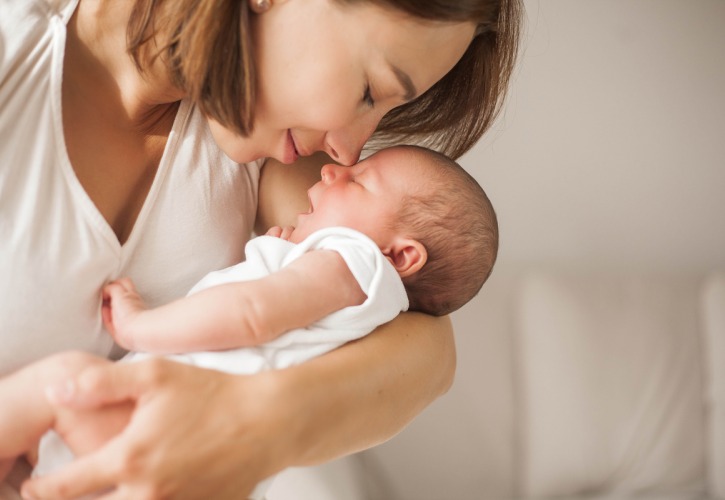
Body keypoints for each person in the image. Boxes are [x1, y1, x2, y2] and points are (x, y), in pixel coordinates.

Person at [0, 0, 521, 497]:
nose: (347, 149)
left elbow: (426, 348)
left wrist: (254, 425)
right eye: (370, 90)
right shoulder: (15, 58)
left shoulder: (267, 145)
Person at [0, 145, 498, 497]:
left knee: (60, 382)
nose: (333, 170)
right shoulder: (364, 304)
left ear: (401, 255)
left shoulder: (356, 258)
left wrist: (139, 325)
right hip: (197, 468)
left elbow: (253, 313)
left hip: (151, 419)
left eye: (361, 180)